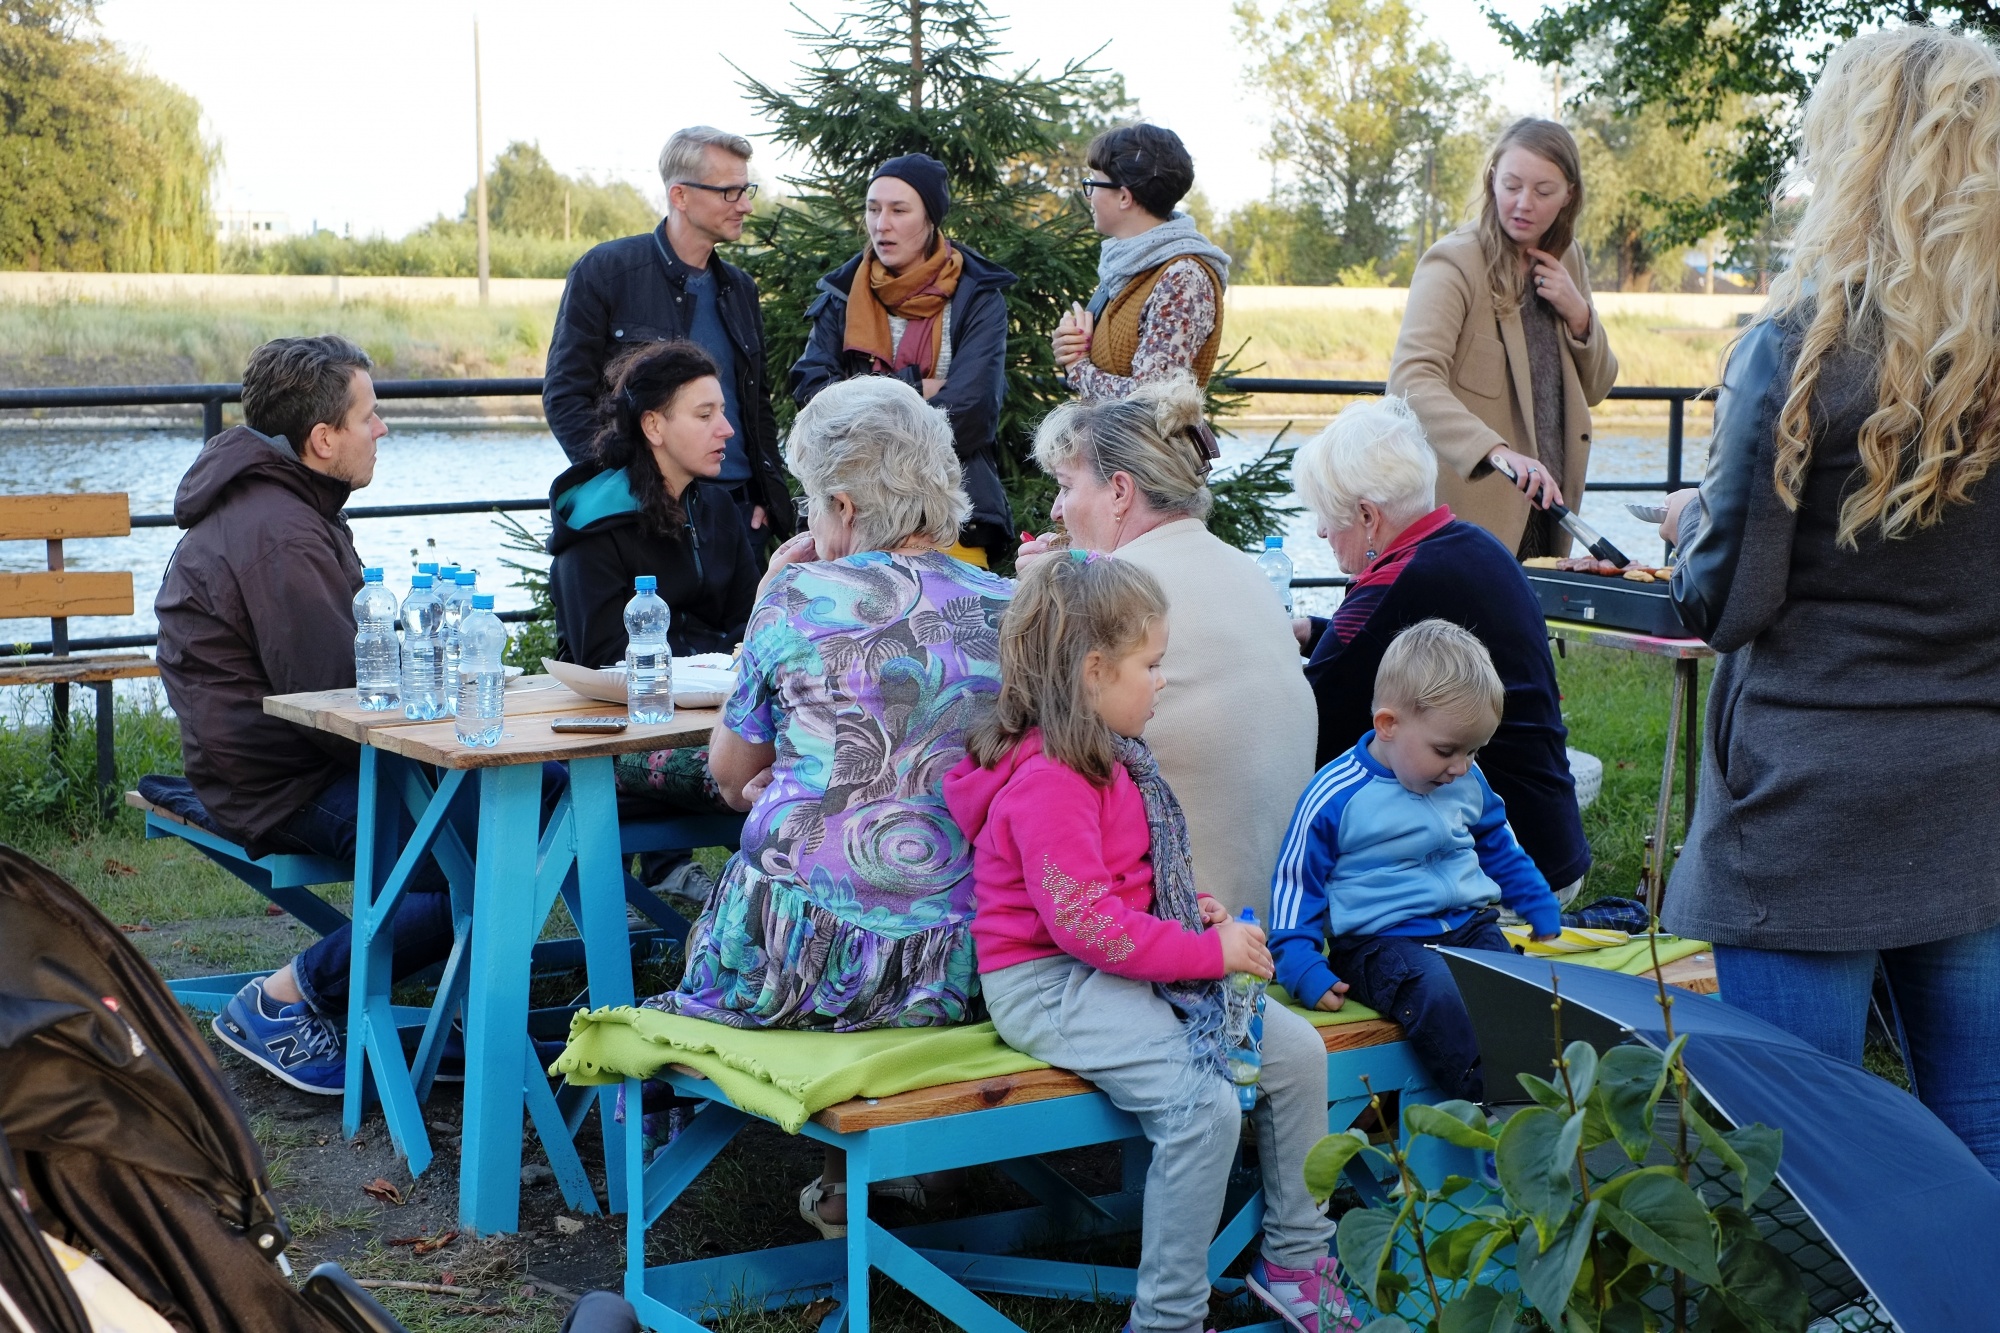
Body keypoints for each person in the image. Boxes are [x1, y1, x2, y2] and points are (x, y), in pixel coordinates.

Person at [1658, 27, 2000, 1175]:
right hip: (1970, 793)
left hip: (1803, 807)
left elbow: (1726, 604)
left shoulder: (1798, 350)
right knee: (1981, 1131)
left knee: (1805, 1161)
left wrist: (1694, 527)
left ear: (1852, 152)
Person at [642, 375, 1012, 1230]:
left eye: (811, 502)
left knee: (799, 874)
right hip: (969, 964)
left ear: (841, 505)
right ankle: (906, 1176)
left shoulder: (796, 597)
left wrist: (776, 588)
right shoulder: (1011, 604)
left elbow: (733, 775)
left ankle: (827, 1181)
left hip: (798, 967)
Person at [946, 553, 1350, 1333]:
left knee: (1298, 1055)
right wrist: (1211, 953)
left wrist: (1184, 911)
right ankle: (1167, 1315)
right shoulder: (1051, 781)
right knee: (1203, 1109)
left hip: (1114, 964)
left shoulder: (1112, 758)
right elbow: (1088, 925)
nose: (1162, 680)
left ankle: (1296, 1259)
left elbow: (1117, 890)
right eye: (1153, 664)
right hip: (1048, 981)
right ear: (1094, 670)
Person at [157, 337, 560, 1094]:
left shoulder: (287, 505)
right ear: (322, 439)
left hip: (286, 759)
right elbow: (338, 704)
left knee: (525, 811)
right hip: (280, 778)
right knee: (499, 846)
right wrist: (450, 751)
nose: (384, 430)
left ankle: (464, 1014)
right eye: (370, 415)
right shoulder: (279, 531)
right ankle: (286, 997)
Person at [1018, 378, 1315, 918]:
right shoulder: (1246, 569)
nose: (1058, 511)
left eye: (1066, 486)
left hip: (1182, 919)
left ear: (1121, 492)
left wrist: (1041, 597)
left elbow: (1024, 734)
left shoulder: (1114, 592)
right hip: (1283, 911)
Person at [1289, 395, 1590, 899]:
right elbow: (1386, 650)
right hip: (1550, 844)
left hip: (1491, 878)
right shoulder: (1471, 545)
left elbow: (1311, 728)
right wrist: (1312, 631)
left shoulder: (1392, 584)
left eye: (1326, 515)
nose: (1321, 531)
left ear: (1367, 515)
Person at [1270, 620, 1561, 1103]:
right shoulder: (1338, 794)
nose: (1461, 767)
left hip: (1467, 924)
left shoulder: (1466, 780)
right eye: (1446, 750)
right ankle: (1491, 1101)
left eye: (1473, 751)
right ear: (1388, 725)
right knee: (1440, 995)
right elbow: (1296, 882)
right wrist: (1299, 963)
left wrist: (1535, 901)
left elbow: (1498, 846)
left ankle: (1541, 1083)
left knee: (1517, 990)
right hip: (1380, 942)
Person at [546, 340, 759, 905]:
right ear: (654, 427)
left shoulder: (716, 508)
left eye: (724, 412)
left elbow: (750, 625)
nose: (727, 430)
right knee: (780, 772)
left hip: (716, 720)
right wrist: (717, 654)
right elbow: (601, 654)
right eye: (705, 414)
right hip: (618, 738)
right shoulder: (595, 523)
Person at [543, 125, 793, 545]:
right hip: (643, 515)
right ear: (680, 195)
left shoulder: (741, 289)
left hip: (738, 517)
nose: (746, 205)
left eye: (745, 189)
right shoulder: (606, 272)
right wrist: (625, 489)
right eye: (729, 192)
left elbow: (756, 405)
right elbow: (565, 395)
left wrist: (766, 498)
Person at [1388, 118, 1617, 557]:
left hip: (1550, 516)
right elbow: (1410, 381)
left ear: (1570, 194)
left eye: (1543, 192)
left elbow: (1598, 386)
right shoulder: (1452, 263)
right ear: (1492, 179)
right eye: (1511, 185)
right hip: (1471, 524)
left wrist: (1580, 315)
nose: (1523, 203)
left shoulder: (1568, 259)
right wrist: (1496, 452)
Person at [790, 152, 1017, 563]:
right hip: (852, 520)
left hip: (949, 516)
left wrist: (867, 433)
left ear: (930, 219)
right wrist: (915, 385)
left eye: (899, 210)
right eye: (873, 209)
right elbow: (813, 398)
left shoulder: (978, 297)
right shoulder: (841, 296)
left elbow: (973, 410)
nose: (881, 224)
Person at [1053, 124, 1233, 402]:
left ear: (1124, 196)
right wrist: (1073, 345)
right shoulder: (1126, 267)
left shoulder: (1182, 277)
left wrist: (1078, 370)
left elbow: (1152, 400)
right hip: (1110, 444)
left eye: (1092, 183)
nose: (1088, 196)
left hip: (1145, 447)